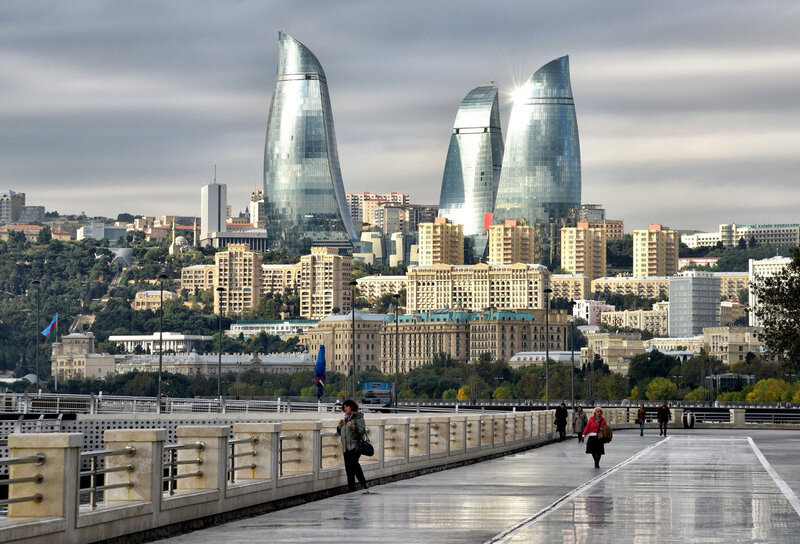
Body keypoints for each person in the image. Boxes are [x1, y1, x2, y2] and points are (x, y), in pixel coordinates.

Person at [337, 399, 369, 492]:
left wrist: (353, 427)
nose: (345, 408)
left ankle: (364, 483)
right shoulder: (345, 419)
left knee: (354, 465)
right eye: (344, 407)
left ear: (352, 407)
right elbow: (341, 433)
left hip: (355, 446)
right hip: (346, 447)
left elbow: (362, 430)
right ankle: (351, 488)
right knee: (348, 468)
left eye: (347, 406)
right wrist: (339, 427)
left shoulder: (358, 417)